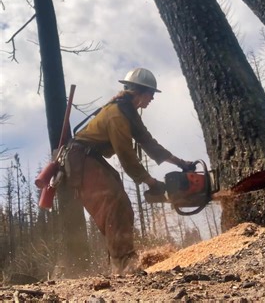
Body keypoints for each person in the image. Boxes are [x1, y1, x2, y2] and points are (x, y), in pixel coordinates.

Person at [65, 68, 192, 275]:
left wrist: (180, 163)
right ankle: (125, 264)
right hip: (82, 159)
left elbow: (149, 143)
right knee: (117, 203)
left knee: (119, 204)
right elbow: (126, 156)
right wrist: (150, 181)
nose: (152, 99)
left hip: (90, 157)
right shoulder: (117, 115)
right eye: (151, 94)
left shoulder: (129, 112)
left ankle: (120, 263)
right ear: (140, 93)